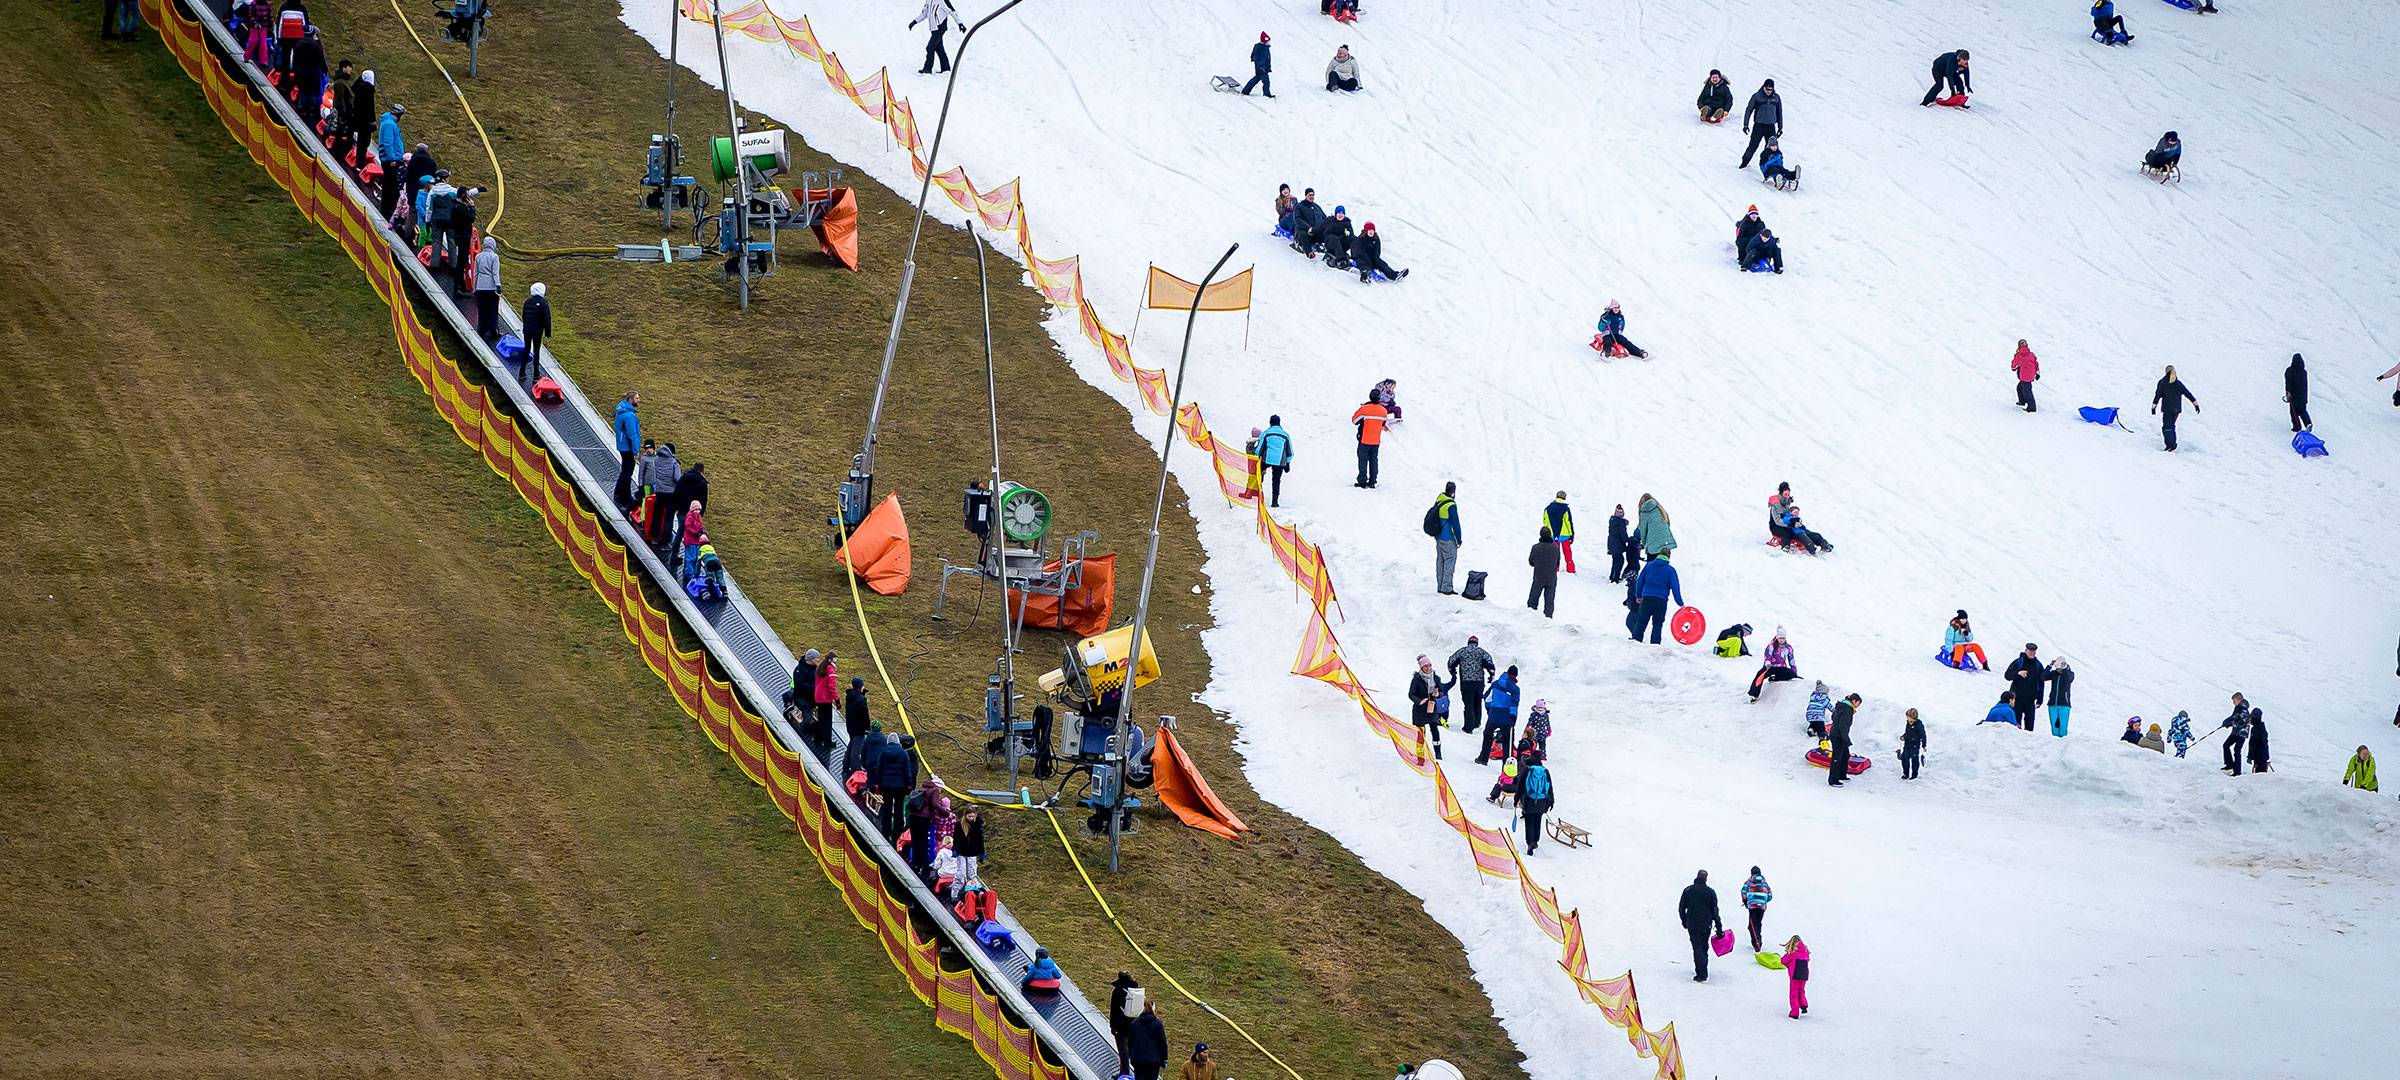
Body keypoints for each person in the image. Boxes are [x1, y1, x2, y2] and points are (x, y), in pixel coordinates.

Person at [1677, 870, 1725, 982]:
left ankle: (1701, 973)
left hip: (1692, 923)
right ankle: (1703, 970)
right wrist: (1719, 928)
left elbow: (1681, 907)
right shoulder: (1710, 892)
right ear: (1706, 879)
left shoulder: (1688, 890)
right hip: (1706, 924)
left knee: (1697, 947)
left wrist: (1684, 920)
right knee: (1704, 946)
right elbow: (1715, 911)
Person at [1628, 551, 1682, 644]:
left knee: (1641, 621)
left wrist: (1638, 595)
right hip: (1661, 601)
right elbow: (1675, 588)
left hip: (1647, 598)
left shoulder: (1649, 566)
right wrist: (1680, 603)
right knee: (1657, 624)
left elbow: (1640, 581)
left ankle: (1636, 641)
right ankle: (1655, 644)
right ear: (1669, 556)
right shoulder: (1670, 570)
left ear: (1658, 555)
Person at [1407, 656, 1453, 759]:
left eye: (1429, 665)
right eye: (1425, 666)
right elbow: (1411, 694)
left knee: (1434, 729)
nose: (1428, 668)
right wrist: (1419, 701)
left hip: (1432, 707)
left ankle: (1438, 753)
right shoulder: (1417, 679)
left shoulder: (1436, 678)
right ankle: (1420, 754)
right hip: (1420, 709)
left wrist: (1438, 694)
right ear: (1421, 667)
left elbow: (1441, 691)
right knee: (1420, 732)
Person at [1447, 636, 1496, 734]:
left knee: (1468, 704)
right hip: (1479, 682)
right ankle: (1476, 723)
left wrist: (1453, 673)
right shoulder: (1481, 652)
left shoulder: (1462, 651)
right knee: (1477, 702)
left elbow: (1451, 662)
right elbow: (1490, 664)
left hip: (1466, 683)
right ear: (1476, 643)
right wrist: (1491, 676)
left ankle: (1468, 727)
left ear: (1468, 642)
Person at [877, 733, 918, 838]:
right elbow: (907, 771)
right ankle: (897, 831)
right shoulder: (903, 754)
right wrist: (909, 784)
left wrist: (878, 783)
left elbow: (879, 769)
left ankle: (885, 830)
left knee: (887, 808)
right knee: (899, 809)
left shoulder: (883, 752)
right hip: (900, 787)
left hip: (886, 786)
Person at [2151, 364, 2199, 451]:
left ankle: (2171, 445)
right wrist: (2195, 404)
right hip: (2176, 409)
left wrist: (2153, 407)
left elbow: (2157, 395)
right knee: (2171, 426)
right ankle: (2171, 445)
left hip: (2167, 409)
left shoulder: (2162, 383)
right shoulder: (2178, 383)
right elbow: (2187, 393)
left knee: (2167, 427)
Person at [1479, 665, 1520, 764]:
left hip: (1493, 716)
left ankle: (1483, 759)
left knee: (1487, 736)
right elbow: (1514, 704)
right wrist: (1513, 717)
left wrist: (1489, 710)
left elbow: (1487, 697)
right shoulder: (1515, 689)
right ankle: (1507, 766)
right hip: (1506, 718)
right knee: (1507, 742)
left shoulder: (1496, 684)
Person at [642, 441, 681, 546]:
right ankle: (665, 541)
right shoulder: (674, 462)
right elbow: (677, 478)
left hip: (659, 492)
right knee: (669, 518)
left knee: (657, 515)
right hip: (671, 493)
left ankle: (654, 536)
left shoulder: (657, 460)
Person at [374, 101, 407, 216]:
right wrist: (392, 158)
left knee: (390, 185)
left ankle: (387, 208)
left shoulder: (389, 123)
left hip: (391, 159)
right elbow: (388, 143)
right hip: (390, 161)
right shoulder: (390, 124)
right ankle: (387, 210)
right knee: (390, 186)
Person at [1251, 415, 1293, 506]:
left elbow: (1259, 448)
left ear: (1270, 423)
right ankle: (1275, 502)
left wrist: (1256, 457)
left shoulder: (1266, 433)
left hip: (1266, 459)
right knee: (1276, 481)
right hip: (1280, 462)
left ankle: (1256, 493)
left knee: (1258, 474)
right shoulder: (1285, 435)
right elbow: (1290, 452)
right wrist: (1287, 462)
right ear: (1279, 423)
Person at [1429, 482, 1463, 594]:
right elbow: (1455, 524)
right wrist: (1459, 539)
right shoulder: (1451, 505)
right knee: (1449, 561)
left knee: (1440, 561)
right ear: (1454, 492)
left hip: (1438, 537)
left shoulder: (1440, 500)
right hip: (1448, 538)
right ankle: (1447, 588)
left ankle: (1440, 586)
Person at [1740, 79, 1782, 168]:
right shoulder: (1757, 96)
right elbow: (1749, 110)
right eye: (1767, 89)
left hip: (1771, 126)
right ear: (1764, 87)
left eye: (1770, 90)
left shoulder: (1776, 98)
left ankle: (1769, 166)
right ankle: (1744, 163)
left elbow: (1779, 113)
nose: (1768, 92)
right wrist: (1745, 125)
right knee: (1753, 145)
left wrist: (1780, 127)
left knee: (1772, 148)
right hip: (1759, 126)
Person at [909, 0, 960, 74]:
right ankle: (946, 68)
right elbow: (924, 13)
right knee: (939, 48)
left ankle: (927, 69)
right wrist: (914, 22)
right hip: (934, 29)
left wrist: (960, 23)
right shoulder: (928, 1)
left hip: (940, 27)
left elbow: (952, 11)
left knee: (930, 47)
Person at [1350, 392, 1388, 487]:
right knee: (1373, 460)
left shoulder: (1364, 409)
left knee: (1363, 460)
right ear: (1379, 398)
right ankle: (1372, 481)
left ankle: (1362, 481)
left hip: (1364, 439)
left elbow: (1354, 421)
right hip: (1376, 440)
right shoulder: (1383, 411)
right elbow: (1383, 424)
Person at [612, 391, 643, 509]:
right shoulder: (629, 416)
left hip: (622, 445)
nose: (639, 400)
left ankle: (618, 493)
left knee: (625, 470)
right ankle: (625, 497)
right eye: (637, 398)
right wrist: (635, 451)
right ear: (631, 399)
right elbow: (632, 435)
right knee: (627, 472)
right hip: (628, 447)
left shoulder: (621, 411)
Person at [1108, 973, 1143, 1076]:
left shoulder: (1117, 991)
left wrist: (1113, 1026)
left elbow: (1114, 1010)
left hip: (1121, 1027)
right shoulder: (1136, 991)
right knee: (1132, 1051)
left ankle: (1124, 1073)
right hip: (1134, 1026)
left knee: (1123, 1051)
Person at [2005, 644, 2046, 730]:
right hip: (2016, 699)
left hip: (2030, 700)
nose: (2032, 653)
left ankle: (2029, 743)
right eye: (2030, 651)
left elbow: (2041, 683)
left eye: (2034, 651)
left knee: (2030, 727)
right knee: (2015, 726)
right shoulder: (2018, 662)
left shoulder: (2038, 665)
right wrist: (2018, 673)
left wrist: (2040, 699)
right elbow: (2007, 675)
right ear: (2026, 650)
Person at [1750, 629, 1799, 701]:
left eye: (1783, 638)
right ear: (1777, 638)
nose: (1781, 640)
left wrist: (1794, 670)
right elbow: (1767, 657)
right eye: (1780, 638)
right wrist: (1768, 664)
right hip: (1770, 667)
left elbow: (1791, 659)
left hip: (1781, 667)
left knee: (1791, 674)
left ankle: (1774, 678)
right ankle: (1754, 695)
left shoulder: (1788, 648)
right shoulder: (1771, 646)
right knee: (1760, 675)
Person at [1127, 1000, 1170, 1080]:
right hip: (1153, 1061)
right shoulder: (1157, 1024)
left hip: (1138, 1060)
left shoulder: (1135, 1023)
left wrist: (1131, 1056)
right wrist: (1164, 1059)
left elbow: (1130, 1042)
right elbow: (1162, 1043)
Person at [1520, 758, 1555, 853]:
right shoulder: (1545, 771)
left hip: (1529, 800)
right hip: (1542, 801)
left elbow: (1520, 786)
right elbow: (1550, 787)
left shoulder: (1527, 771)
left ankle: (1530, 842)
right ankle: (1535, 841)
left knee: (1529, 821)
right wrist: (1551, 801)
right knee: (1538, 820)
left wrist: (1516, 800)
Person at [472, 234, 502, 344]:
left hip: (480, 286)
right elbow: (495, 273)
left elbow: (475, 273)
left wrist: (475, 287)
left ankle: (481, 328)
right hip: (491, 287)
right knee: (493, 309)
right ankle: (493, 330)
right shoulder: (494, 257)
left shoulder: (478, 256)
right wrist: (498, 285)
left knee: (482, 309)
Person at [345, 70, 376, 171]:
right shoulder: (368, 92)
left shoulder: (358, 87)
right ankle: (360, 164)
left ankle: (353, 156)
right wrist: (372, 121)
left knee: (360, 142)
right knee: (363, 143)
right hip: (365, 122)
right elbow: (370, 109)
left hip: (357, 119)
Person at [1527, 527, 1562, 617]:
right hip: (1551, 578)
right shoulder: (1556, 548)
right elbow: (1557, 563)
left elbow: (1531, 562)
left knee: (1533, 600)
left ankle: (1530, 617)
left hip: (1539, 577)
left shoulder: (1535, 547)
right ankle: (1548, 618)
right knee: (1549, 601)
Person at [326, 61, 356, 162]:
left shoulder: (343, 81)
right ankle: (339, 153)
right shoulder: (340, 82)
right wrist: (343, 114)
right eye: (349, 67)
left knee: (343, 131)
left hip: (345, 111)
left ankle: (341, 151)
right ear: (344, 68)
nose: (350, 69)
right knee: (340, 132)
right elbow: (340, 99)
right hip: (344, 112)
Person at [1541, 491, 1576, 573]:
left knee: (1554, 552)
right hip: (1564, 534)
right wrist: (1571, 534)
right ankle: (1570, 568)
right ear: (1564, 498)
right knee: (1567, 552)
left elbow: (1545, 522)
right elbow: (1568, 522)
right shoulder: (1565, 508)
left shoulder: (1548, 508)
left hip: (1552, 534)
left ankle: (1555, 568)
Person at [1828, 693, 1858, 786]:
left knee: (1845, 755)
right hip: (1838, 736)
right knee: (1837, 757)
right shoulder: (1847, 709)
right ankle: (1833, 780)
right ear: (1854, 701)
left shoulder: (1841, 705)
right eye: (1858, 703)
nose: (1858, 706)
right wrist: (1845, 739)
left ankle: (1841, 774)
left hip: (1837, 734)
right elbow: (1843, 726)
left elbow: (1833, 717)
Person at [1740, 866, 1773, 952]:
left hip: (1753, 906)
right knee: (1758, 923)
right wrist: (1763, 901)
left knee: (1752, 925)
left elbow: (1743, 891)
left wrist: (1746, 902)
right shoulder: (1765, 883)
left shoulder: (1749, 882)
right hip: (1762, 906)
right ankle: (1758, 941)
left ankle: (1757, 943)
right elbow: (1770, 896)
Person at [2219, 693, 2252, 775]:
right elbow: (2233, 717)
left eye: (2234, 701)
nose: (2233, 703)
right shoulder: (2237, 708)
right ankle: (2229, 764)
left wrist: (2230, 724)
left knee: (2237, 750)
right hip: (2235, 732)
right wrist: (2226, 721)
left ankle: (2237, 771)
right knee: (2226, 745)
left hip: (2241, 734)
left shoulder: (2244, 710)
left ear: (2239, 700)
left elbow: (2242, 723)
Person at [1781, 935, 1812, 1019]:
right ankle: (1804, 1005)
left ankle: (1794, 1013)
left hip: (1795, 976)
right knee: (1801, 990)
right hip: (1804, 975)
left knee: (1793, 993)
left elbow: (1783, 960)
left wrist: (1788, 964)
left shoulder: (1792, 954)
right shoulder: (1805, 953)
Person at [2045, 655, 2075, 737]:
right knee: (2054, 728)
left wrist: (2064, 669)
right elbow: (2043, 677)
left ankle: (2063, 745)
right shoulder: (2054, 674)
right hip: (2052, 704)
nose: (2058, 670)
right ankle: (2054, 744)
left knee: (2063, 728)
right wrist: (2049, 666)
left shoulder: (2070, 673)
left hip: (2064, 704)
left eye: (2059, 668)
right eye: (2056, 668)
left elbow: (2068, 679)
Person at [2285, 353, 2313, 432]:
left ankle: (2297, 427)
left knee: (2293, 412)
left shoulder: (2290, 371)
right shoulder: (2304, 372)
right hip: (2303, 396)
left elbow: (2288, 382)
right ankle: (2308, 423)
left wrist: (2288, 392)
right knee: (2303, 411)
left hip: (2294, 396)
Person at [679, 502, 707, 580]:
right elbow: (688, 527)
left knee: (695, 557)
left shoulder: (698, 517)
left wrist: (702, 531)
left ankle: (692, 572)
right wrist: (696, 532)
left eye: (698, 510)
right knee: (690, 558)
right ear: (692, 510)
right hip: (690, 540)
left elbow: (700, 525)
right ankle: (688, 574)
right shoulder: (690, 517)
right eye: (695, 510)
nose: (697, 511)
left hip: (696, 541)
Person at [1607, 503, 1634, 582]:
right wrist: (1629, 541)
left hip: (1611, 544)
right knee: (1620, 560)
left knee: (1615, 560)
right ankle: (1615, 578)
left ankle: (1612, 575)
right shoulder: (1620, 523)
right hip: (1617, 545)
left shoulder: (1612, 520)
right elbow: (1623, 535)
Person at [1242, 31, 1274, 98]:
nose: (1269, 42)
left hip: (1264, 67)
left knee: (1256, 79)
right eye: (1267, 41)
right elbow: (1256, 58)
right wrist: (1261, 66)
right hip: (1261, 68)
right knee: (1266, 81)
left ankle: (1245, 91)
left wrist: (1268, 66)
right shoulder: (1259, 47)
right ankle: (1267, 94)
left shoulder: (1266, 47)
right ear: (1264, 41)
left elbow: (1267, 58)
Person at [2012, 339, 2041, 413]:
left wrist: (2013, 368)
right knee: (2020, 387)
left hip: (2024, 376)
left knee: (2027, 391)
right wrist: (2037, 373)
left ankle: (2032, 407)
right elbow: (2036, 363)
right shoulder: (2031, 354)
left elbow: (2014, 364)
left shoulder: (2019, 355)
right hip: (2031, 374)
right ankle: (2022, 401)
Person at [1900, 708, 1928, 779]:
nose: (1907, 718)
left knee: (1914, 760)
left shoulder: (1919, 725)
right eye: (1907, 717)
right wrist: (1903, 736)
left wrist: (1924, 745)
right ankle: (1906, 773)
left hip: (1915, 746)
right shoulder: (1908, 724)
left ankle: (1914, 775)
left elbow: (1923, 735)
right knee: (1904, 758)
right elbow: (1908, 732)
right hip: (1907, 745)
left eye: (1908, 717)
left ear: (1913, 718)